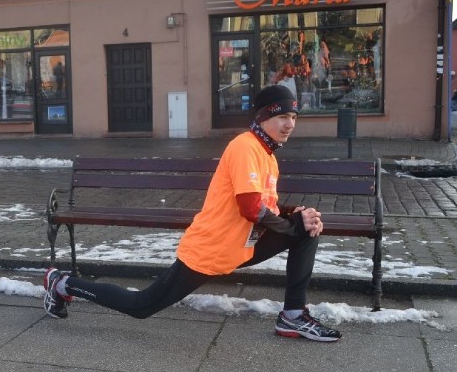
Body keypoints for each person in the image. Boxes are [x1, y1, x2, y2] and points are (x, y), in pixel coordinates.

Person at [43, 85, 341, 342]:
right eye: (282, 117)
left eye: (293, 117)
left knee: (307, 228)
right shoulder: (245, 148)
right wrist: (291, 225)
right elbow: (251, 209)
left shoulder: (267, 156)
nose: (289, 124)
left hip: (239, 247)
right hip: (210, 250)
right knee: (141, 306)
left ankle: (292, 316)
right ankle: (62, 283)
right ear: (263, 118)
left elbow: (267, 208)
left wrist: (296, 214)